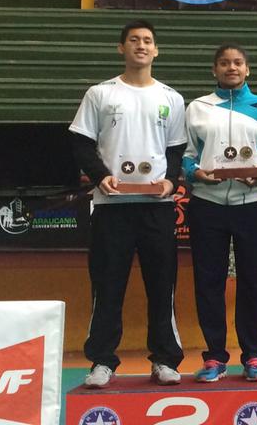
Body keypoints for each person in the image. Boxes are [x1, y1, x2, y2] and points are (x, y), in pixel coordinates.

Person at [69, 20, 186, 387]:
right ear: (121, 48)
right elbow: (81, 142)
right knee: (107, 285)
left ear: (156, 50)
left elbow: (177, 150)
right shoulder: (100, 93)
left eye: (148, 41)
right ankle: (102, 361)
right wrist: (100, 174)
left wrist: (172, 181)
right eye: (134, 40)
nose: (141, 45)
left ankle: (165, 360)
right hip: (111, 206)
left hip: (157, 208)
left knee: (161, 285)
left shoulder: (171, 97)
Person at [183, 44, 257, 382]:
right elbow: (187, 155)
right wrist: (193, 173)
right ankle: (215, 356)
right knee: (209, 282)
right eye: (224, 63)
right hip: (208, 205)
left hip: (252, 205)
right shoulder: (198, 108)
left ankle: (255, 355)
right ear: (214, 70)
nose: (231, 68)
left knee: (252, 280)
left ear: (247, 70)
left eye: (237, 63)